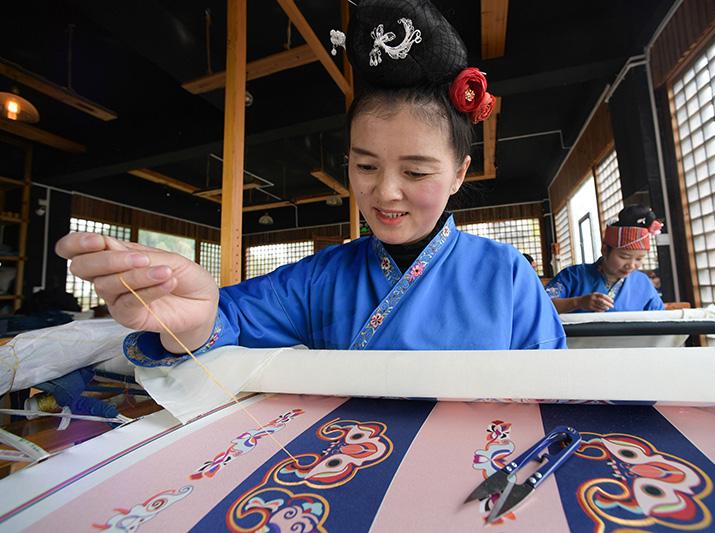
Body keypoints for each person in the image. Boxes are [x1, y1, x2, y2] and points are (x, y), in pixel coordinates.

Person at [55, 0, 566, 367]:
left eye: (415, 172)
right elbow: (223, 316)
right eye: (365, 166)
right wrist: (192, 319)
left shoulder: (507, 276)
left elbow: (557, 394)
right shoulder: (320, 278)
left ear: (459, 172)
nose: (386, 192)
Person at [545, 205, 665, 313]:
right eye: (624, 257)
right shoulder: (573, 276)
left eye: (639, 259)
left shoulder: (642, 282)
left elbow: (661, 319)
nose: (631, 265)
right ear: (605, 250)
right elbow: (543, 304)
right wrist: (578, 302)